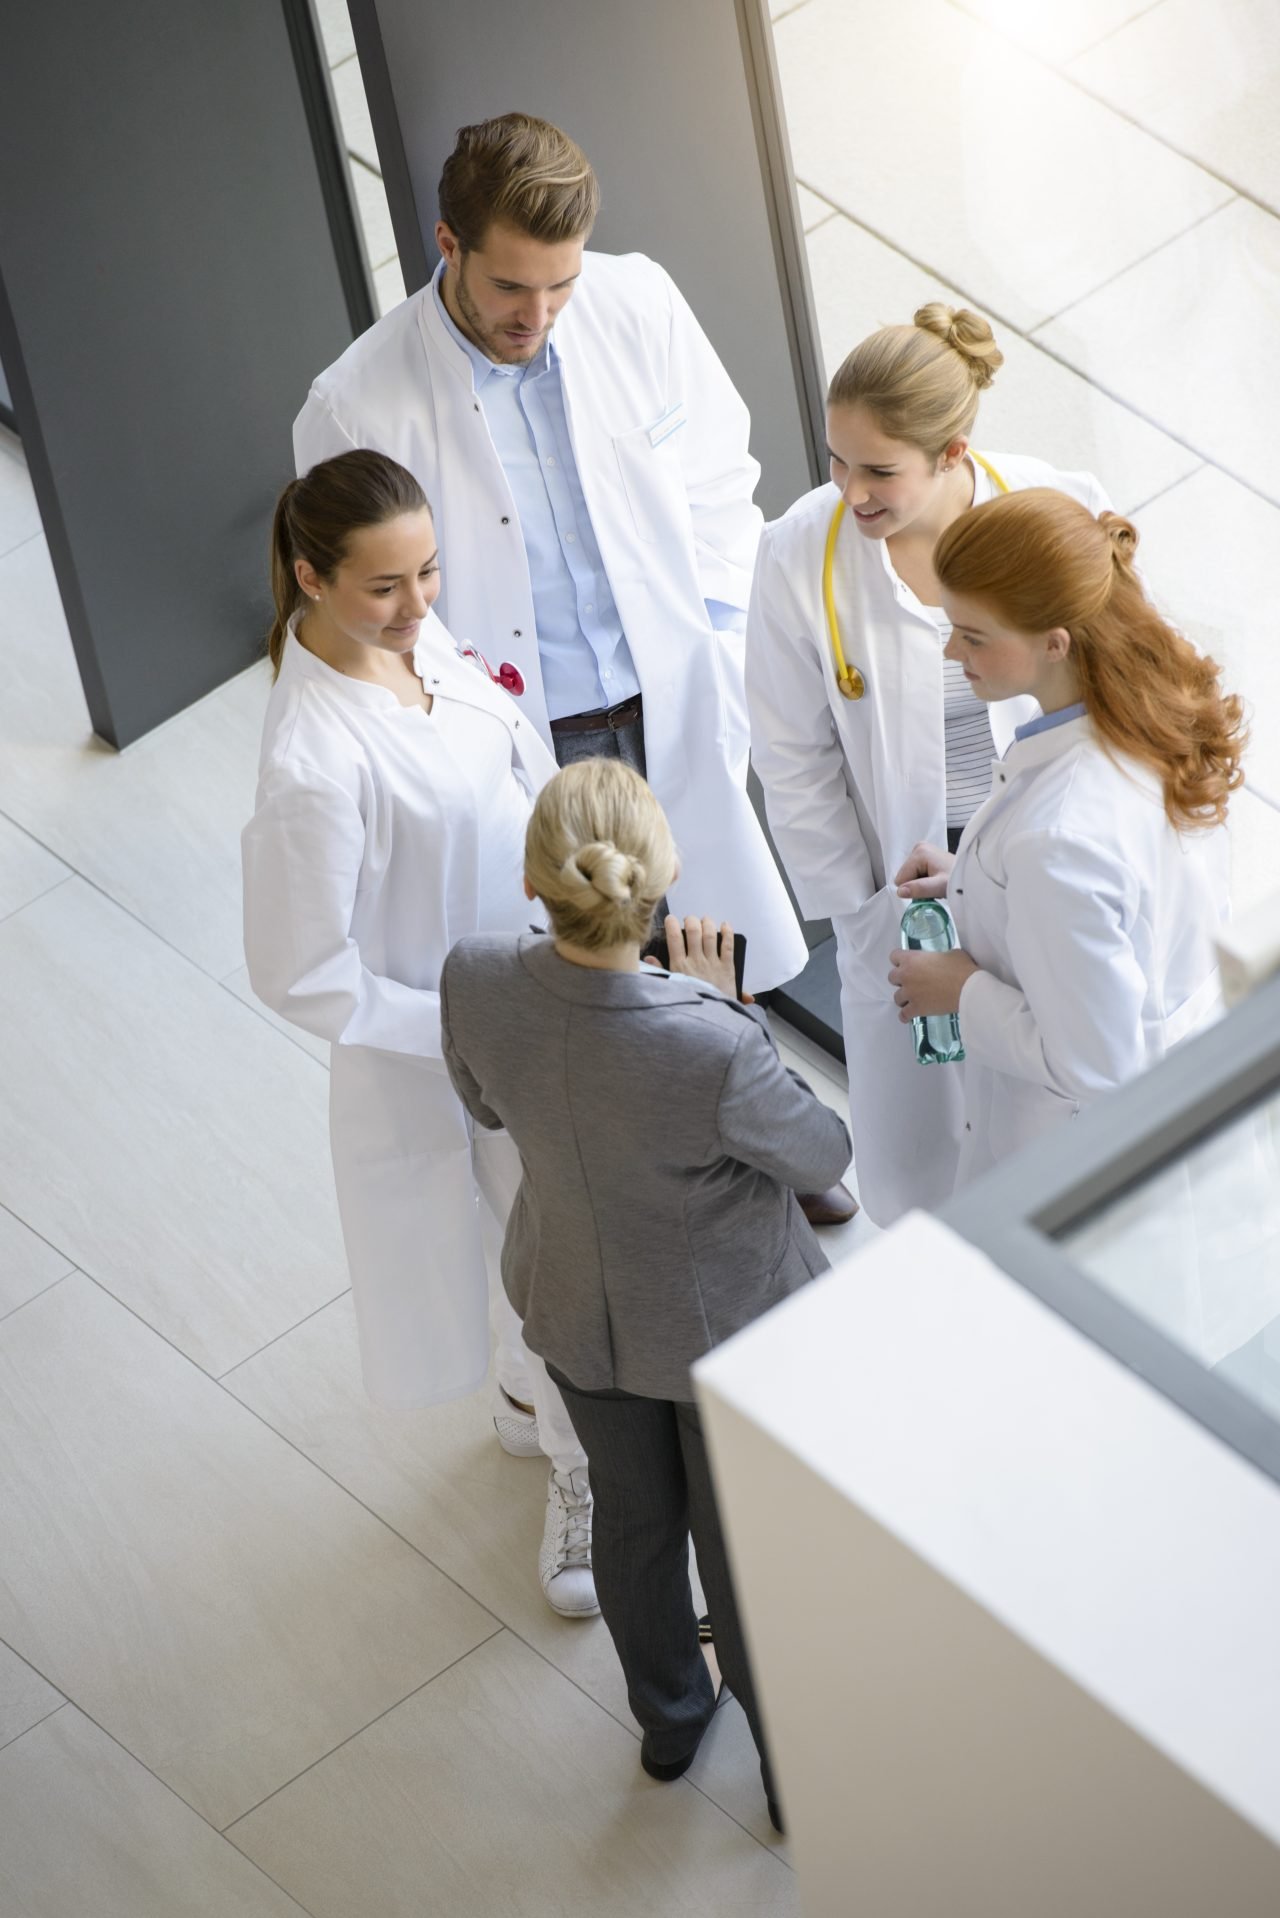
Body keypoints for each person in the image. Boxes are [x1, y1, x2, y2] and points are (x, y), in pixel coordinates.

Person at [293, 111, 849, 1227]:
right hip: (520, 737)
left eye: (558, 287)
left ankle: (765, 1135)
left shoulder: (634, 299)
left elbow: (715, 477)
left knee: (709, 933)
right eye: (510, 288)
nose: (536, 318)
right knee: (594, 974)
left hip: (665, 697)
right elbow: (373, 609)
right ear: (446, 244)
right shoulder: (356, 402)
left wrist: (723, 639)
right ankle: (645, 1190)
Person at [439, 759, 851, 1831]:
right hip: (722, 1336)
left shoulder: (473, 976)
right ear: (657, 882)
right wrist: (726, 1013)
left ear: (537, 886)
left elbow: (483, 1108)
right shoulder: (706, 1039)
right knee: (740, 1547)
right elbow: (820, 1152)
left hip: (573, 1306)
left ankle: (670, 1723)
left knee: (631, 1519)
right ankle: (792, 1776)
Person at [241, 450, 597, 1619]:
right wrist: (470, 1028)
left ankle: (516, 1395)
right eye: (385, 586)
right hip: (452, 1044)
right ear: (310, 577)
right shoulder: (313, 759)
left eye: (429, 571)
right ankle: (578, 1475)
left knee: (535, 1229)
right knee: (542, 1247)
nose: (418, 604)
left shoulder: (414, 646)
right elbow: (301, 972)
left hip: (539, 985)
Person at [745, 303, 1114, 1227]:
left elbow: (1115, 682)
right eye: (836, 459)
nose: (849, 490)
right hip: (900, 884)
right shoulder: (804, 551)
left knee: (1041, 1095)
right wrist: (863, 914)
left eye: (878, 470)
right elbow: (791, 753)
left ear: (952, 452)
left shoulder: (1049, 508)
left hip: (1029, 849)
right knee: (920, 1143)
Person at [888, 487, 1243, 1185]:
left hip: (1079, 1158)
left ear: (1055, 643)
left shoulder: (1059, 839)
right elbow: (1122, 900)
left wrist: (959, 989)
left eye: (974, 635)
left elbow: (1097, 1065)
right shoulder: (1152, 709)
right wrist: (975, 880)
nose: (952, 648)